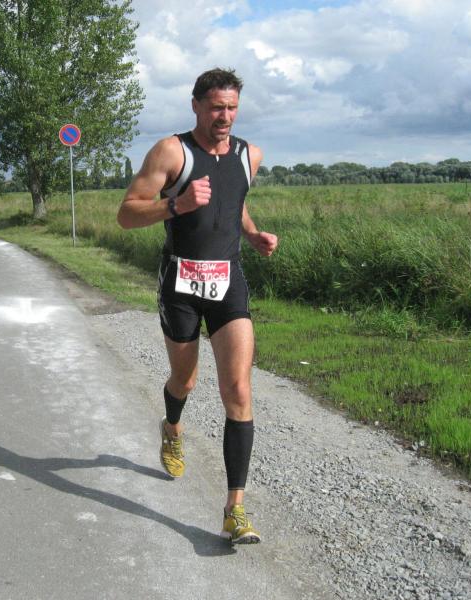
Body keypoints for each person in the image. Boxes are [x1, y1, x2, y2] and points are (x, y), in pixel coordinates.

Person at [117, 68, 278, 545]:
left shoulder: (250, 155)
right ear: (196, 106)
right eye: (215, 108)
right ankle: (172, 427)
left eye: (231, 108)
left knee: (238, 390)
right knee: (185, 380)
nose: (224, 117)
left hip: (228, 281)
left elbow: (234, 202)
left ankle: (234, 510)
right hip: (181, 283)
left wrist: (253, 234)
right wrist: (176, 205)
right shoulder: (172, 152)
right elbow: (127, 213)